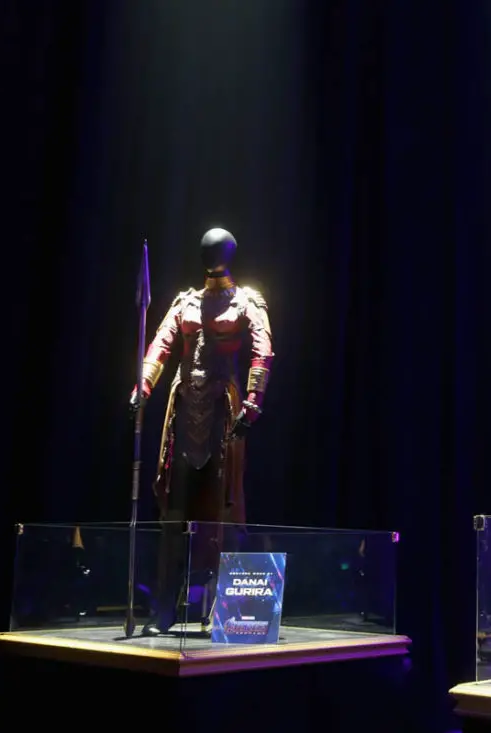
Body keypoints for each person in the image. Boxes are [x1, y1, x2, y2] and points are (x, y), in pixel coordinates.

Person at [130, 227, 275, 635]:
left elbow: (262, 351)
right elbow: (160, 345)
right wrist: (142, 386)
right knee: (175, 508)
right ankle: (165, 605)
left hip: (222, 412)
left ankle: (221, 607)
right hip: (183, 408)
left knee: (222, 506)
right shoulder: (185, 302)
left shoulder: (247, 301)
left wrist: (253, 401)